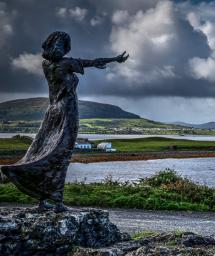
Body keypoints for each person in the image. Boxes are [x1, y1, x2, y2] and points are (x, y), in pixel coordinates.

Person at [0, 31, 129, 212]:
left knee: (42, 149)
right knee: (61, 154)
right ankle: (57, 202)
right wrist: (114, 59)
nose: (61, 50)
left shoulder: (46, 65)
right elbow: (90, 62)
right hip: (67, 111)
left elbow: (89, 62)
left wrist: (112, 59)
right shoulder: (66, 63)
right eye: (60, 46)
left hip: (52, 111)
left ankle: (42, 199)